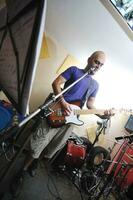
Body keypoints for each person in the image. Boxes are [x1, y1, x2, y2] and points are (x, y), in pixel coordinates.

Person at [11, 50, 113, 196]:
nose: (98, 66)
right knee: (39, 142)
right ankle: (21, 172)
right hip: (57, 111)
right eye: (96, 62)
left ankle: (34, 163)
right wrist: (63, 102)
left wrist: (104, 114)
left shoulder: (95, 85)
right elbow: (56, 83)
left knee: (52, 147)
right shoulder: (75, 71)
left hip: (70, 120)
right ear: (89, 59)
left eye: (101, 65)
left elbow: (90, 106)